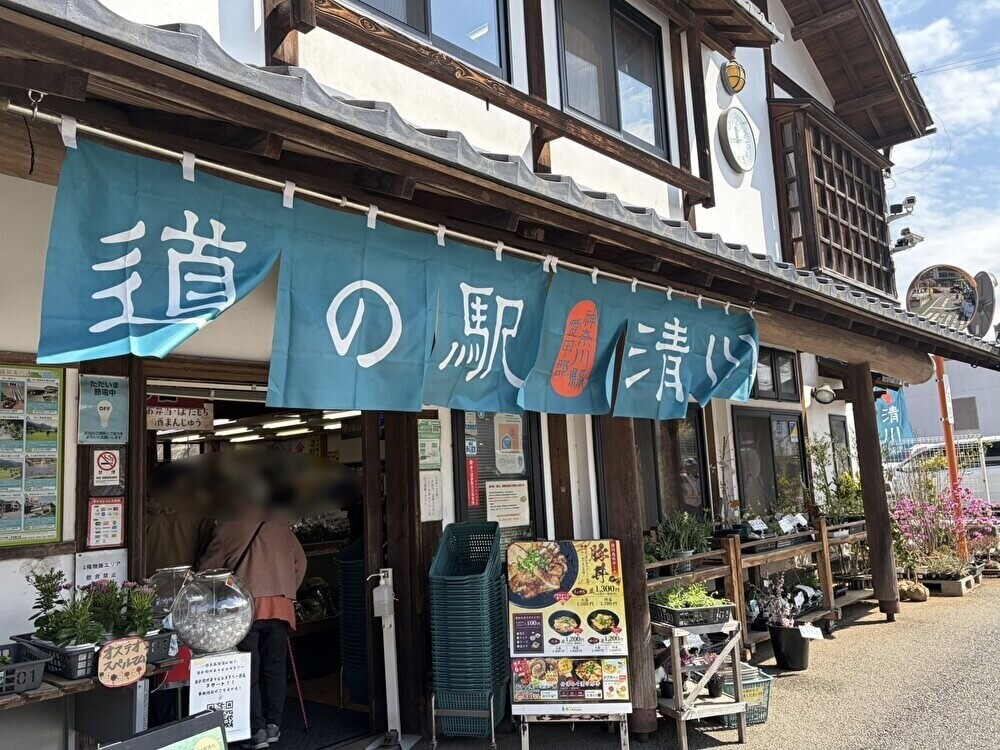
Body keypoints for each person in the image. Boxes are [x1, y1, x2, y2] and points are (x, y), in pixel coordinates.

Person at [199, 516, 306, 749]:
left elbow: (207, 570)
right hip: (280, 605)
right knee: (275, 666)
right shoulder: (280, 524)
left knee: (248, 669)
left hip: (244, 608)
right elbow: (301, 561)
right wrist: (286, 589)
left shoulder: (229, 525)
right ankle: (273, 725)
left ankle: (256, 730)